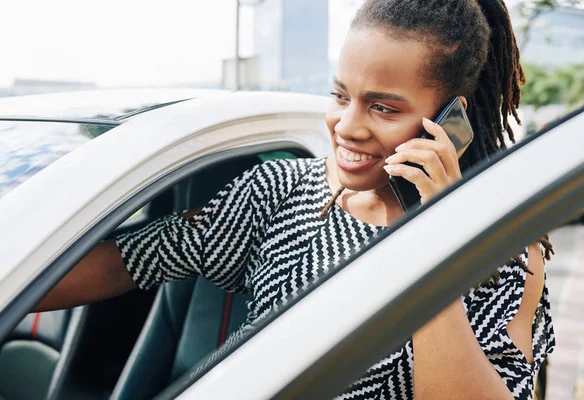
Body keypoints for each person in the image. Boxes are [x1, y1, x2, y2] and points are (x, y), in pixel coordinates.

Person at [36, 0, 555, 398]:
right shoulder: (282, 193)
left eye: (382, 108)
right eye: (340, 96)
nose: (347, 127)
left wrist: (432, 236)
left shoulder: (502, 249)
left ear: (450, 119)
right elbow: (126, 263)